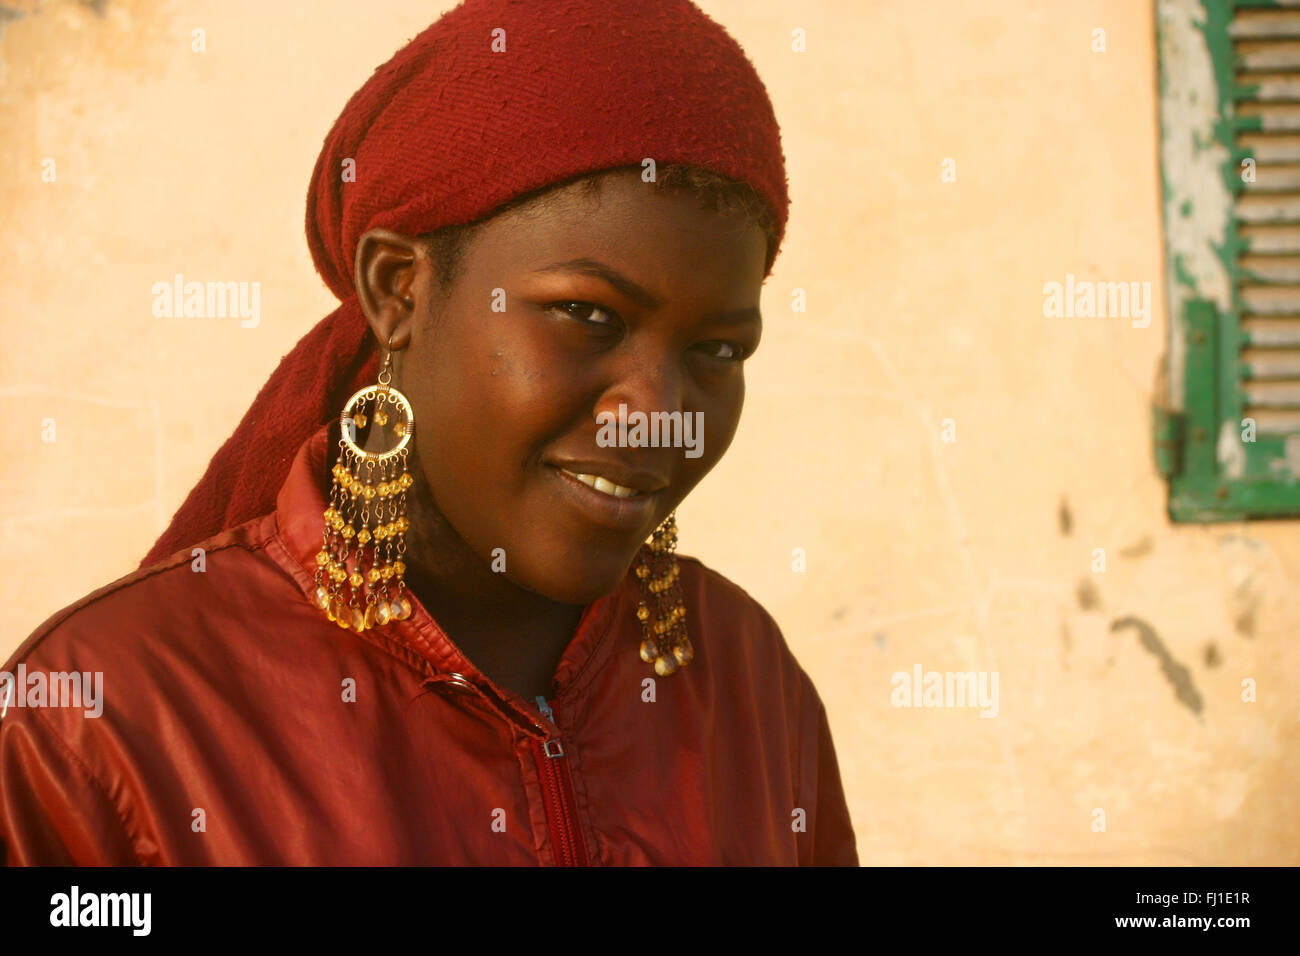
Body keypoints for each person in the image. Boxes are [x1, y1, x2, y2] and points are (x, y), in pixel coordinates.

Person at [0, 0, 857, 865]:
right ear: (399, 290)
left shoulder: (749, 686)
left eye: (717, 349)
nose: (657, 413)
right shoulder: (96, 723)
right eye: (586, 315)